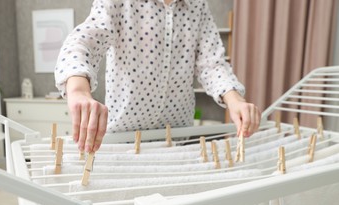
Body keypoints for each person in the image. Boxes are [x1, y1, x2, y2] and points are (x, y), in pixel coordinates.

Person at [55, 0, 261, 153]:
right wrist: (78, 90)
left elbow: (212, 63)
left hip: (177, 139)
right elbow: (84, 42)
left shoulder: (197, 6)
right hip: (122, 139)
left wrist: (236, 100)